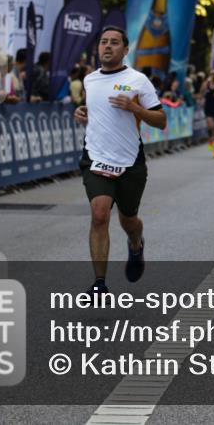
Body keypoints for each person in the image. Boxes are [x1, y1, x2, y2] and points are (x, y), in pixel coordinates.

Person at [73, 27, 166, 295]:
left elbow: (161, 120)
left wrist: (135, 108)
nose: (107, 46)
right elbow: (95, 111)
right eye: (103, 42)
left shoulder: (138, 81)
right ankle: (99, 284)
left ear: (125, 50)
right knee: (100, 214)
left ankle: (136, 245)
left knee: (128, 220)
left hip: (129, 161)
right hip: (96, 157)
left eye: (114, 43)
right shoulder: (90, 80)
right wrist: (82, 113)